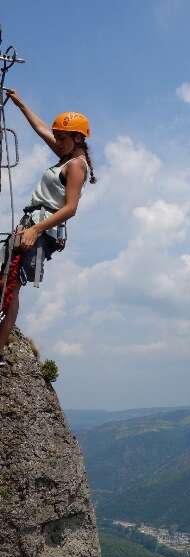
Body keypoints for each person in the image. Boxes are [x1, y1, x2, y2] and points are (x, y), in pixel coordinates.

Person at [0, 91, 96, 366]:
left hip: (41, 229)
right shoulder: (64, 155)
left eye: (62, 137)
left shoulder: (76, 165)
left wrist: (35, 230)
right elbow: (41, 128)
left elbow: (70, 208)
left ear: (78, 138)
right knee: (4, 279)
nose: (57, 141)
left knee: (11, 285)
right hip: (32, 223)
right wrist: (19, 103)